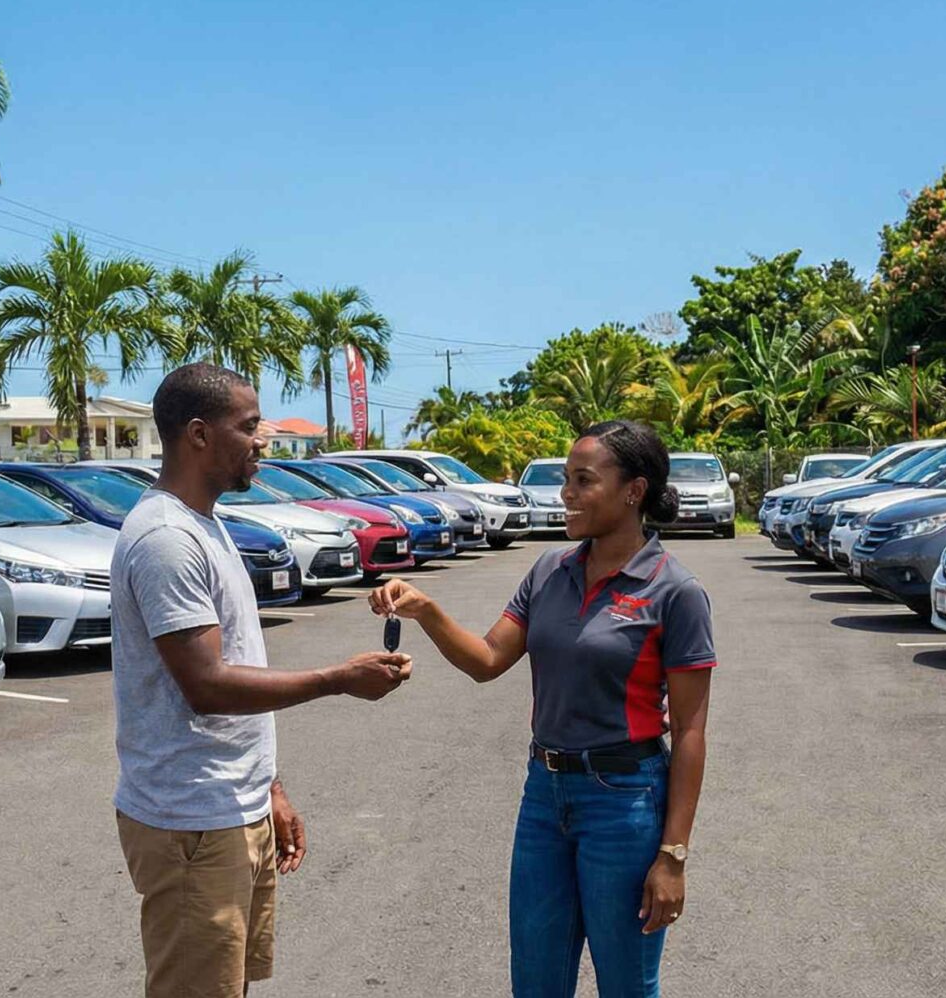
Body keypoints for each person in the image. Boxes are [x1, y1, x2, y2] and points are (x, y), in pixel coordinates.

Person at [369, 420, 715, 998]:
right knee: (535, 981)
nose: (566, 494)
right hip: (544, 797)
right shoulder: (549, 571)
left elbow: (692, 731)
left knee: (627, 984)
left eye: (583, 481)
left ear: (634, 491)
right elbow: (485, 660)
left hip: (625, 802)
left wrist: (673, 855)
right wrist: (426, 609)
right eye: (565, 480)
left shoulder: (674, 591)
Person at [110, 363, 416, 998]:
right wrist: (339, 678)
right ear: (198, 434)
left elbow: (236, 665)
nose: (263, 440)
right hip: (191, 817)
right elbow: (209, 685)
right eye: (248, 426)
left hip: (231, 805)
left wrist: (268, 787)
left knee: (232, 986)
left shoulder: (206, 523)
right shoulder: (167, 538)